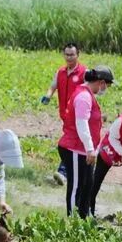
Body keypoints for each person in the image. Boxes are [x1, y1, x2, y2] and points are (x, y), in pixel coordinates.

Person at [57, 66, 114, 217]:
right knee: (76, 187)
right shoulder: (84, 97)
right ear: (101, 82)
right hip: (75, 148)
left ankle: (84, 219)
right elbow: (81, 124)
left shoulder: (88, 94)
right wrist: (90, 148)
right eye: (106, 86)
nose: (105, 89)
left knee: (87, 185)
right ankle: (72, 220)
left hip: (85, 150)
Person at [41, 43, 86, 185]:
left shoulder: (84, 72)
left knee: (69, 141)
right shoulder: (60, 72)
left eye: (72, 54)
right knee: (73, 142)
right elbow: (54, 85)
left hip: (78, 114)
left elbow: (92, 90)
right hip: (65, 115)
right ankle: (73, 171)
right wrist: (48, 95)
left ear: (78, 55)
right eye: (67, 54)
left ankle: (63, 171)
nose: (69, 57)